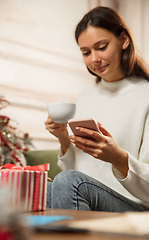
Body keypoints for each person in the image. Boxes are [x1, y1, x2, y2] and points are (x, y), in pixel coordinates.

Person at [45, 6, 149, 212]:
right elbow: (73, 174)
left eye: (101, 47)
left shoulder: (145, 95)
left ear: (124, 40)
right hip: (88, 196)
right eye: (86, 52)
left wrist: (118, 158)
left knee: (67, 182)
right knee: (39, 190)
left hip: (135, 206)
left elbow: (72, 182)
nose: (94, 59)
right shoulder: (86, 96)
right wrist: (63, 138)